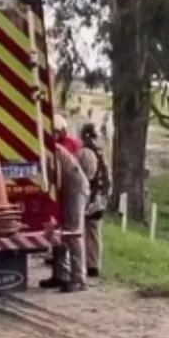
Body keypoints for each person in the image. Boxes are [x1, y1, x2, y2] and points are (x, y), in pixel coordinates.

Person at [39, 147, 90, 293]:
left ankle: (79, 279)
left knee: (73, 233)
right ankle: (60, 274)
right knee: (60, 231)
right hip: (68, 188)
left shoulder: (49, 150)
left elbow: (57, 179)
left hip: (75, 189)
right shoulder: (47, 147)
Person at [78, 123, 110, 278]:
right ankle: (94, 264)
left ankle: (85, 264)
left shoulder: (85, 153)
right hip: (100, 198)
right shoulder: (101, 153)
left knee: (83, 231)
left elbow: (85, 176)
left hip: (89, 198)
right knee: (95, 233)